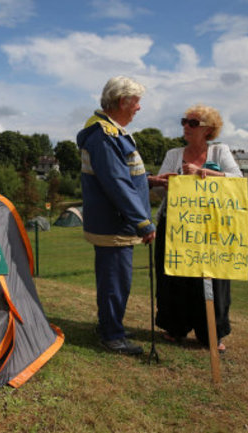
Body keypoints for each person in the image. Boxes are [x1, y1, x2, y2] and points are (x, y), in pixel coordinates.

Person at [148, 104, 243, 353]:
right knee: (174, 277)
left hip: (211, 228)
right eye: (184, 121)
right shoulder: (174, 154)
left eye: (192, 123)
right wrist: (165, 184)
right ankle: (174, 327)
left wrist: (202, 173)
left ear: (208, 129)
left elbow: (238, 181)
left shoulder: (220, 152)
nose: (185, 127)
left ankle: (212, 332)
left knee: (212, 279)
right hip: (176, 225)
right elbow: (158, 191)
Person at [77, 76, 156, 356]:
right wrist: (143, 222)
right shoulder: (104, 135)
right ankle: (112, 335)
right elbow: (116, 184)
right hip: (115, 225)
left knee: (115, 280)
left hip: (115, 222)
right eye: (136, 102)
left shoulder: (109, 132)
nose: (138, 108)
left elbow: (123, 176)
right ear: (123, 101)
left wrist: (151, 180)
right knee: (115, 282)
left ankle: (110, 325)